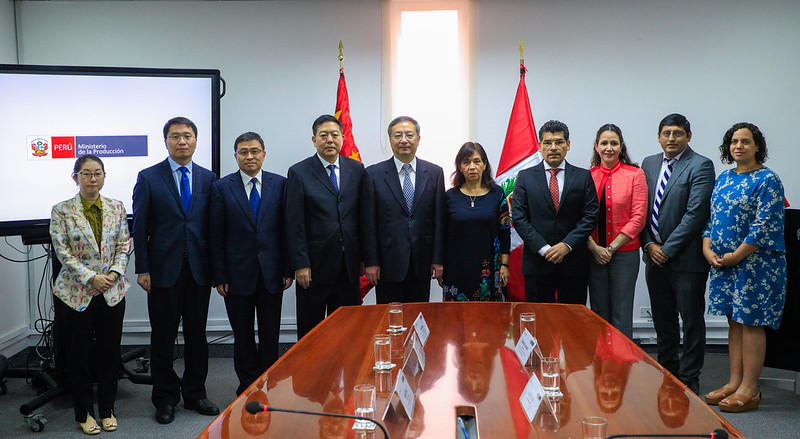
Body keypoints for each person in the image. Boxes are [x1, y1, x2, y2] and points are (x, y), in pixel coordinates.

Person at [132, 116, 219, 424]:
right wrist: (142, 268)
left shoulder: (210, 179)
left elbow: (214, 229)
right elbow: (140, 227)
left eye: (187, 136)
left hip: (198, 271)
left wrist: (217, 272)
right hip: (162, 270)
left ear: (196, 141)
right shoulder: (149, 177)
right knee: (163, 337)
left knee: (197, 335)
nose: (182, 141)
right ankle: (165, 397)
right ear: (165, 141)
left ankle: (195, 393)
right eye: (175, 136)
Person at [701, 122, 786, 412]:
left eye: (745, 141)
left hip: (756, 264)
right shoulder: (724, 178)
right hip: (725, 263)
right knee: (734, 322)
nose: (739, 146)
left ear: (757, 146)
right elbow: (712, 219)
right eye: (734, 141)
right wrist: (707, 248)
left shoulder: (767, 179)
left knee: (750, 323)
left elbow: (765, 225)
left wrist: (737, 255)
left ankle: (750, 389)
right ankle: (734, 381)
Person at [50, 155, 130, 435]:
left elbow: (124, 244)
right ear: (76, 177)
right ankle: (84, 412)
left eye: (97, 173)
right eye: (86, 173)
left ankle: (107, 408)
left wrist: (112, 276)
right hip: (76, 293)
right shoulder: (61, 210)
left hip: (111, 291)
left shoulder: (117, 207)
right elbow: (63, 252)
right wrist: (91, 278)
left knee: (109, 353)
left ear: (104, 177)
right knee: (78, 354)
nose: (92, 178)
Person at [210, 132, 292, 396]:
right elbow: (216, 234)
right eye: (243, 152)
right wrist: (219, 274)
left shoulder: (281, 185)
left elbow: (287, 231)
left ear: (264, 154)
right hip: (235, 275)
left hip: (272, 273)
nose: (249, 156)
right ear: (235, 156)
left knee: (270, 334)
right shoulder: (222, 188)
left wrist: (288, 269)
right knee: (242, 334)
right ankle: (247, 386)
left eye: (254, 151)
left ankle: (268, 383)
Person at [640, 113, 714, 394]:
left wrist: (667, 250)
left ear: (688, 136)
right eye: (667, 133)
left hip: (686, 260)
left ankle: (690, 378)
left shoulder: (701, 165)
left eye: (678, 133)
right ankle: (668, 373)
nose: (672, 139)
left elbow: (695, 214)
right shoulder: (648, 164)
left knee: (691, 320)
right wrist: (649, 245)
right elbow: (642, 208)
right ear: (659, 136)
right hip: (653, 257)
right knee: (663, 320)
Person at [286, 115, 366, 339]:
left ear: (342, 138)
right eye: (323, 135)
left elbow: (363, 217)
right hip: (313, 269)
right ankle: (312, 374)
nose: (329, 139)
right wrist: (300, 264)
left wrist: (364, 259)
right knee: (312, 333)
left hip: (348, 267)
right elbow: (294, 223)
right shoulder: (299, 172)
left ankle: (347, 373)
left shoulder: (357, 169)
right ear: (314, 140)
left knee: (348, 330)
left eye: (335, 135)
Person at [511, 120, 598, 304]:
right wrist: (544, 249)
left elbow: (590, 216)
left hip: (573, 263)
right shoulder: (525, 177)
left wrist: (566, 245)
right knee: (540, 321)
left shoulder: (583, 176)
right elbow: (519, 218)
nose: (553, 147)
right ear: (539, 146)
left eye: (559, 142)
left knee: (573, 321)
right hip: (537, 263)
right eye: (547, 142)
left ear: (568, 145)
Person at [361, 116, 447, 303]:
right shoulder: (373, 174)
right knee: (390, 318)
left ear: (418, 138)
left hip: (422, 261)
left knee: (418, 317)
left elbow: (440, 220)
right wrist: (371, 261)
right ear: (390, 140)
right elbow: (368, 223)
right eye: (397, 135)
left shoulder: (434, 173)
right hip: (386, 263)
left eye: (409, 135)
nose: (404, 140)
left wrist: (438, 259)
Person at [587, 124, 648, 339]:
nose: (608, 148)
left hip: (624, 254)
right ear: (596, 147)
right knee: (599, 312)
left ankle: (622, 367)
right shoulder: (588, 176)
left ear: (621, 147)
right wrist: (595, 249)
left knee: (621, 313)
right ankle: (600, 365)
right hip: (593, 254)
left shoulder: (635, 174)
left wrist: (610, 248)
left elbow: (638, 217)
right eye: (604, 143)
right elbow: (580, 218)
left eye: (614, 143)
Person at [442, 142, 510, 301]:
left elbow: (505, 230)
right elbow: (443, 234)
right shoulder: (449, 197)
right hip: (456, 269)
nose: (472, 167)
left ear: (484, 165)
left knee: (490, 319)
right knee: (456, 320)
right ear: (459, 167)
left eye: (477, 161)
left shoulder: (497, 194)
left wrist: (505, 266)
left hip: (489, 270)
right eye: (466, 162)